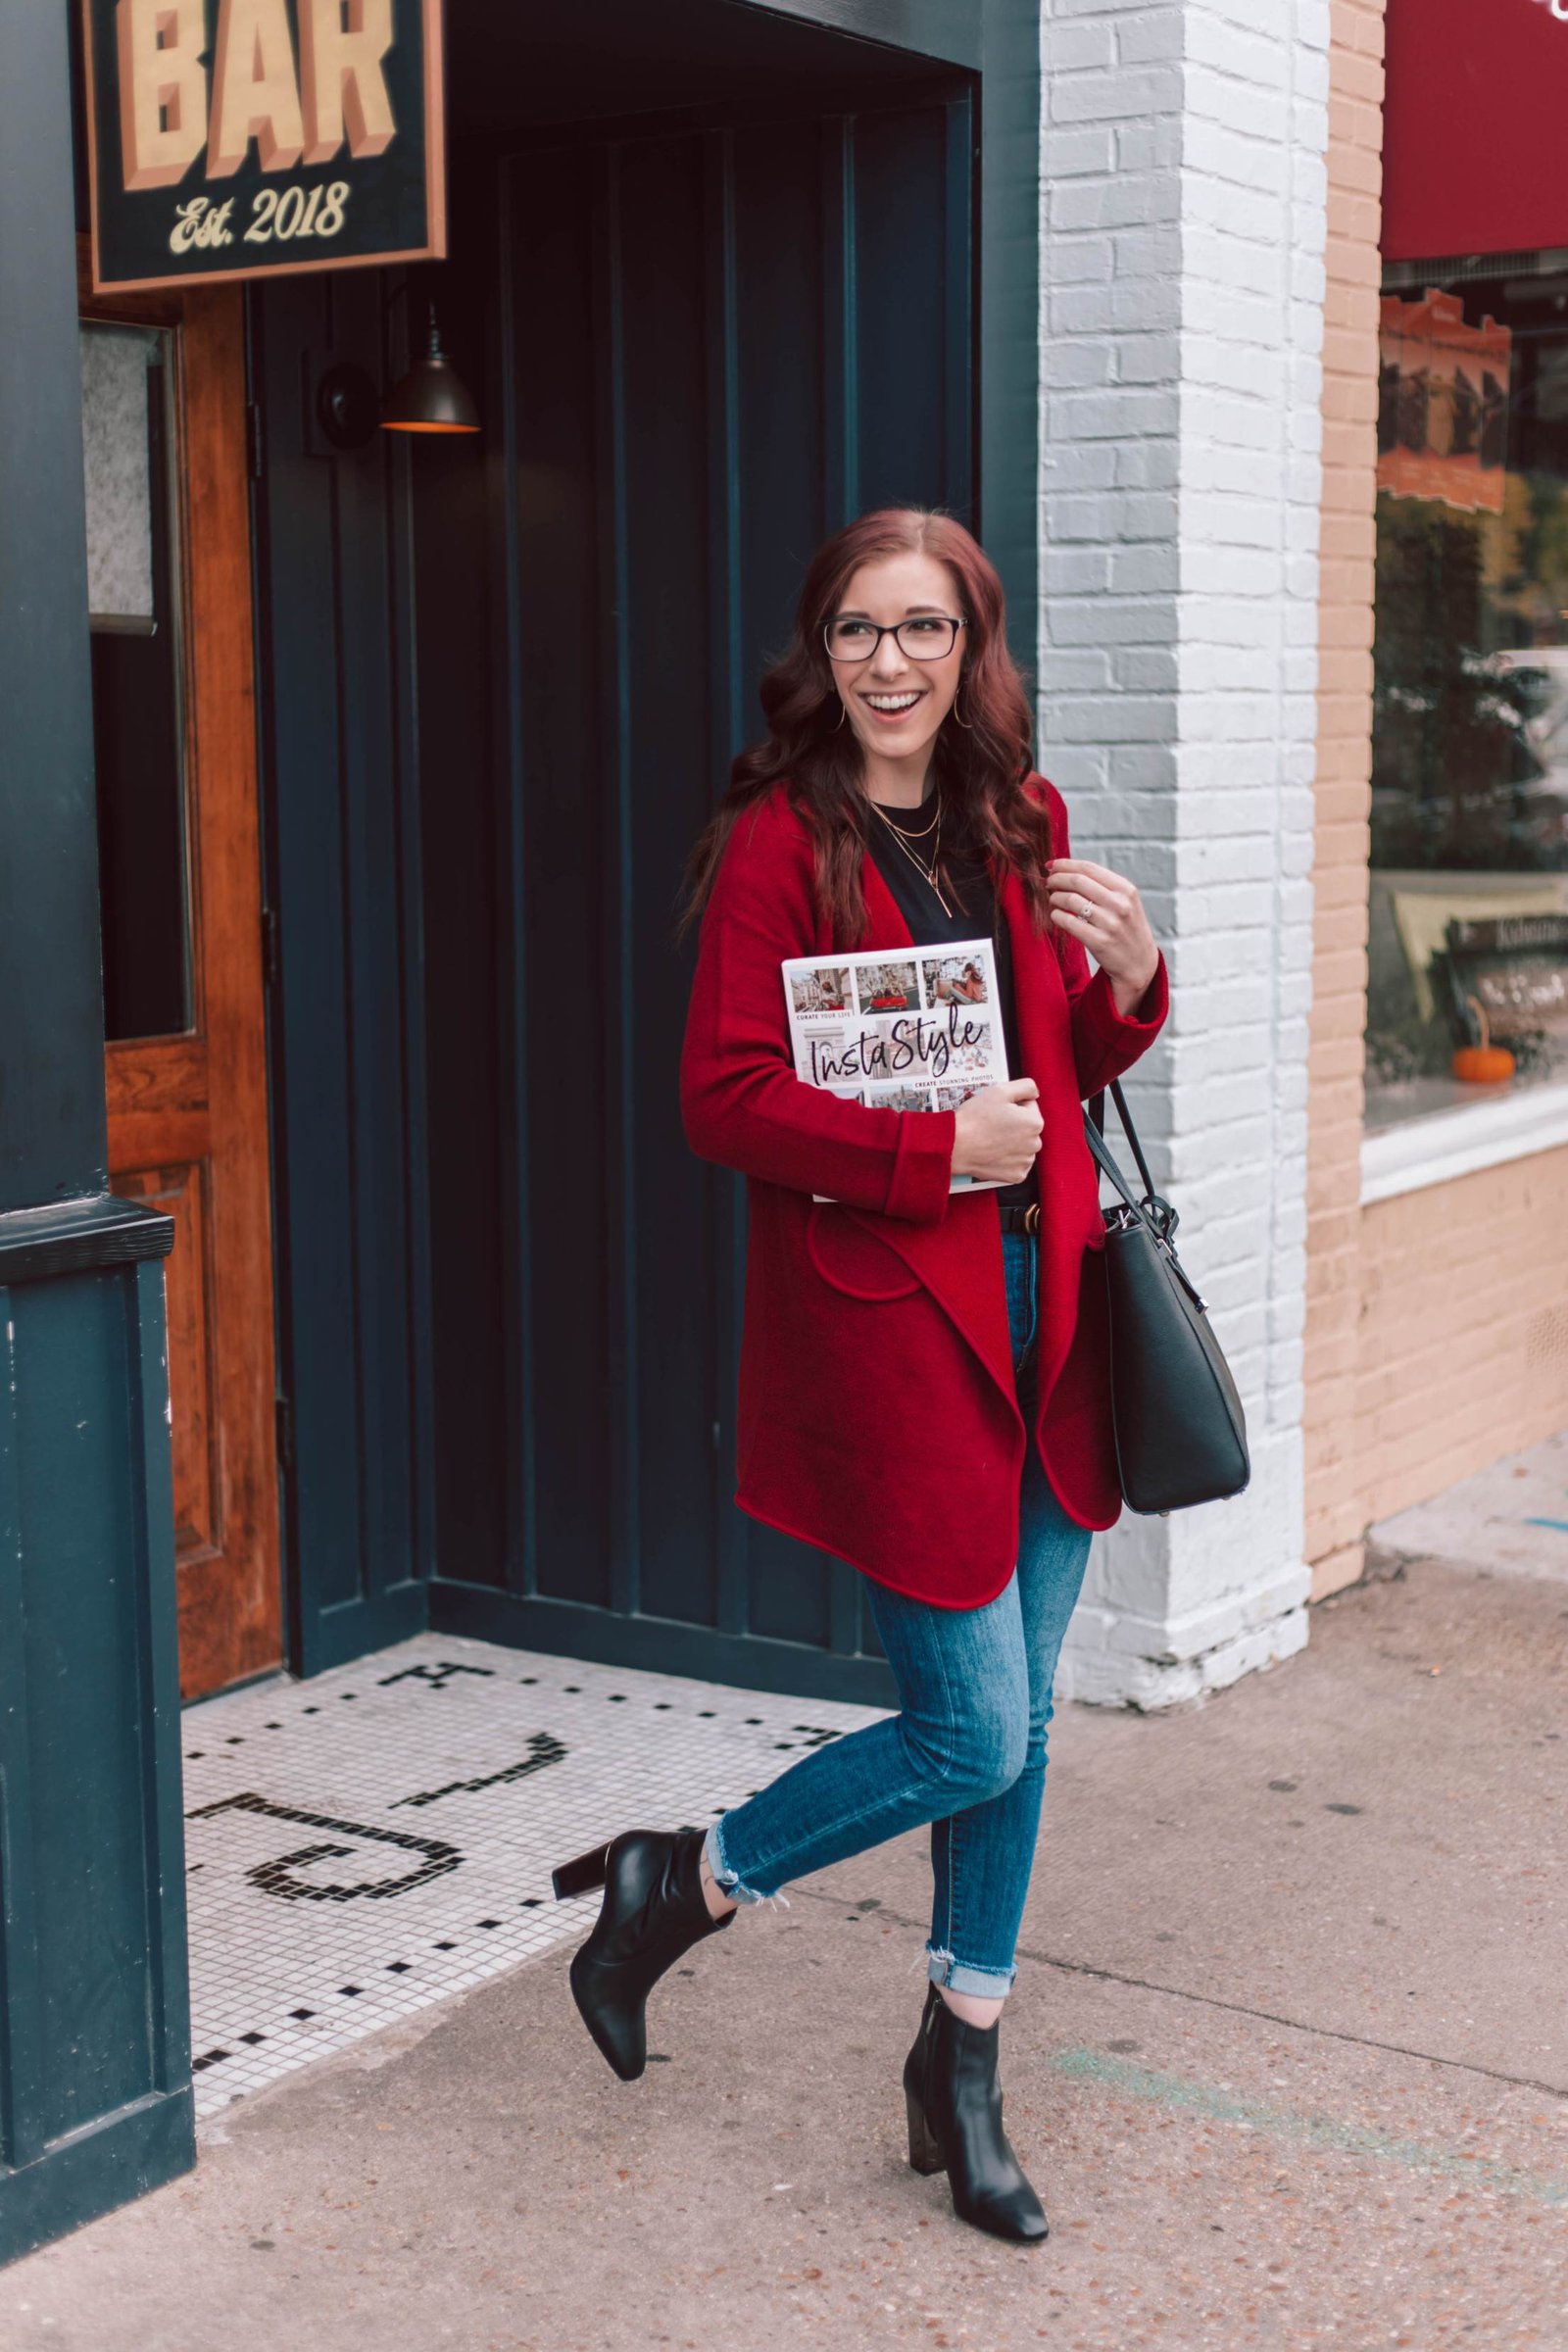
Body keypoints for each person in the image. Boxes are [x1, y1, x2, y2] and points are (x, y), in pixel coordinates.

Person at [553, 508, 1166, 2243]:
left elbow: (1053, 1061)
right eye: (854, 632)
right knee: (972, 1725)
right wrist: (927, 1152)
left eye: (923, 631)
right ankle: (691, 1879)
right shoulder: (777, 845)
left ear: (974, 650)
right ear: (819, 653)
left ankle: (959, 2058)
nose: (889, 664)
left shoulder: (1015, 820)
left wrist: (1126, 984)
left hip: (1055, 1318)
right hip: (898, 1326)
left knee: (1025, 1726)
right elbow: (723, 1098)